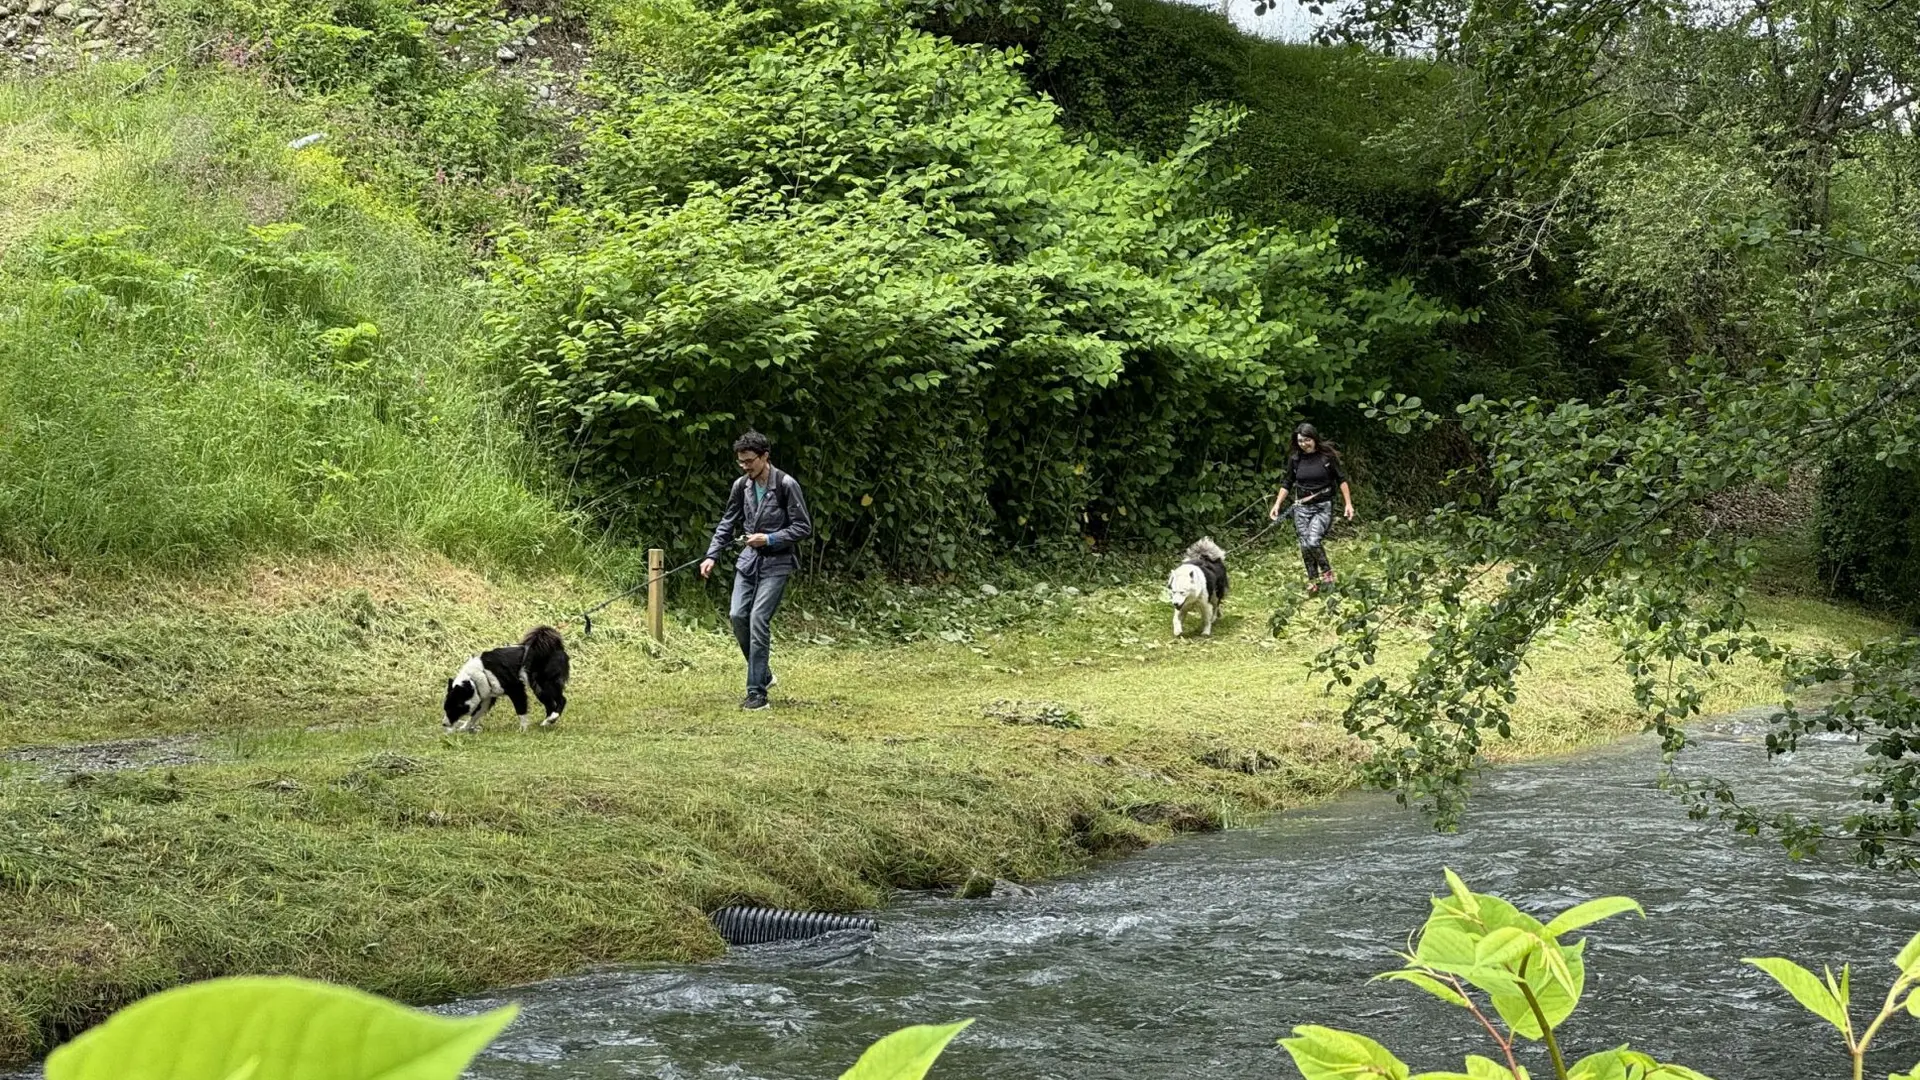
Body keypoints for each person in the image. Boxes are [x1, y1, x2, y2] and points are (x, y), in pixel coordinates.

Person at [700, 431, 813, 710]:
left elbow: (803, 527)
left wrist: (770, 539)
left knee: (758, 619)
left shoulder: (786, 484)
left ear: (765, 457)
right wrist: (711, 555)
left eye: (749, 461)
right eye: (741, 462)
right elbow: (727, 522)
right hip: (748, 562)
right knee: (737, 615)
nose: (745, 467)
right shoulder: (741, 486)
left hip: (777, 564)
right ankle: (764, 673)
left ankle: (757, 694)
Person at [1269, 423, 1354, 593]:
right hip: (1301, 508)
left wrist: (1348, 504)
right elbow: (1287, 482)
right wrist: (1277, 504)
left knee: (1313, 541)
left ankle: (1327, 573)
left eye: (1307, 440)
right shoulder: (1295, 459)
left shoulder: (1327, 457)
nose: (1304, 444)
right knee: (1305, 545)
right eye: (1300, 441)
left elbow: (1341, 480)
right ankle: (1313, 580)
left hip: (1322, 506)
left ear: (1314, 439)